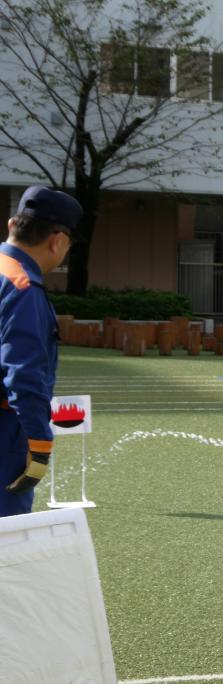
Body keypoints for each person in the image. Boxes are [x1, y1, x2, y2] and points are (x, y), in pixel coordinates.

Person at [0, 186, 81, 517]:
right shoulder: (22, 287)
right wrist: (39, 443)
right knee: (8, 531)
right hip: (5, 429)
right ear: (57, 241)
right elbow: (23, 372)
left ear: (12, 225)